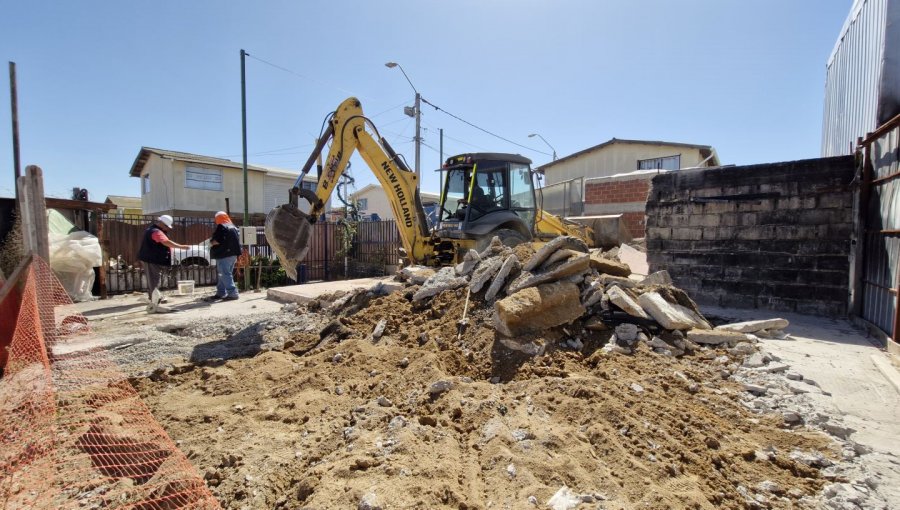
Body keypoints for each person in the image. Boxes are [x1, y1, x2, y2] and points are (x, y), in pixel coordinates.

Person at [137, 215, 189, 312]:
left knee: (154, 279)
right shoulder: (155, 232)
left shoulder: (153, 230)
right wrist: (181, 247)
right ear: (161, 223)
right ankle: (155, 303)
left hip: (151, 258)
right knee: (154, 280)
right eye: (166, 226)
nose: (167, 228)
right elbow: (166, 242)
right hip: (151, 259)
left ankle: (154, 299)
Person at [205, 211, 242, 301]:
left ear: (217, 219)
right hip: (233, 255)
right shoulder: (233, 227)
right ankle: (221, 292)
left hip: (223, 255)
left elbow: (217, 241)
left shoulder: (222, 227)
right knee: (225, 274)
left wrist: (210, 243)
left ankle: (232, 294)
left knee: (224, 274)